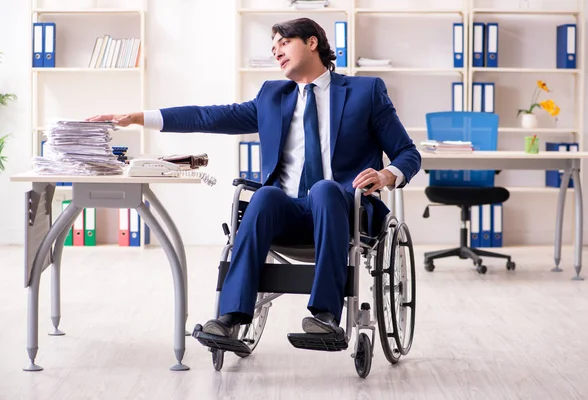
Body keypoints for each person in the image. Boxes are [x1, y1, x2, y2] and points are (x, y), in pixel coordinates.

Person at [88, 17, 421, 340]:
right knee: (263, 196)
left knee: (323, 190)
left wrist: (386, 174)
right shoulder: (272, 97)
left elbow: (408, 153)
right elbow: (210, 115)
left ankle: (325, 316)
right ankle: (230, 318)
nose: (276, 51)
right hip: (286, 212)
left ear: (312, 42)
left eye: (283, 42)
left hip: (344, 210)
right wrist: (138, 118)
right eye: (272, 46)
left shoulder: (365, 92)